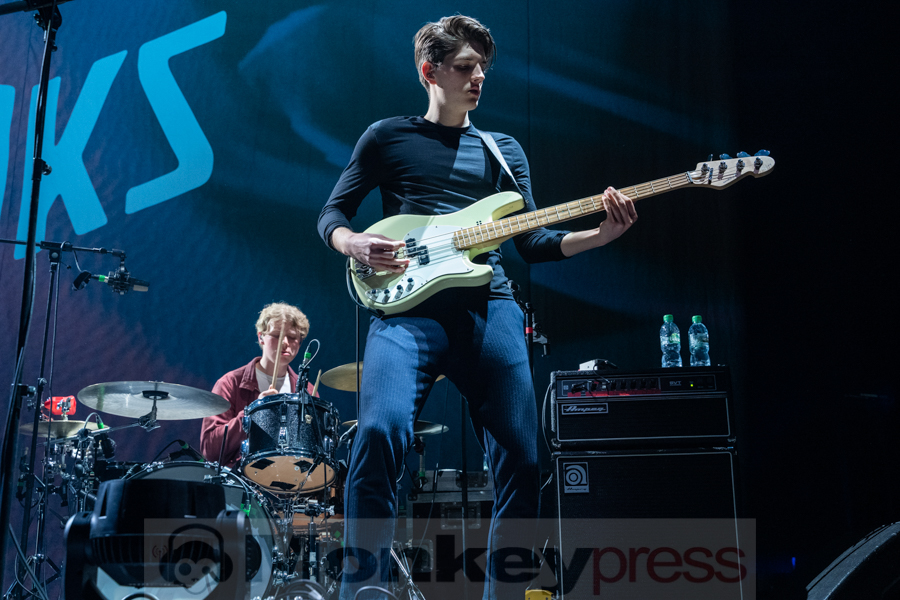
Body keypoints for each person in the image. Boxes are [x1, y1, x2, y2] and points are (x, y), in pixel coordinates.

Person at [316, 15, 637, 599]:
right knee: (380, 432)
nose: (478, 77)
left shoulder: (503, 150)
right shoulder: (387, 137)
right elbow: (331, 215)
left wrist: (599, 236)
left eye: (483, 68)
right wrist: (354, 242)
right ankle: (362, 589)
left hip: (488, 307)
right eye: (465, 67)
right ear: (429, 71)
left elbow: (533, 243)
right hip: (406, 313)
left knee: (522, 457)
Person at [199, 302, 310, 467]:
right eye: (277, 335)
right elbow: (210, 451)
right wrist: (253, 413)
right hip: (240, 485)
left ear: (300, 344)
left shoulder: (307, 391)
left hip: (290, 485)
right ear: (261, 337)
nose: (285, 342)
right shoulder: (230, 383)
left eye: (293, 337)